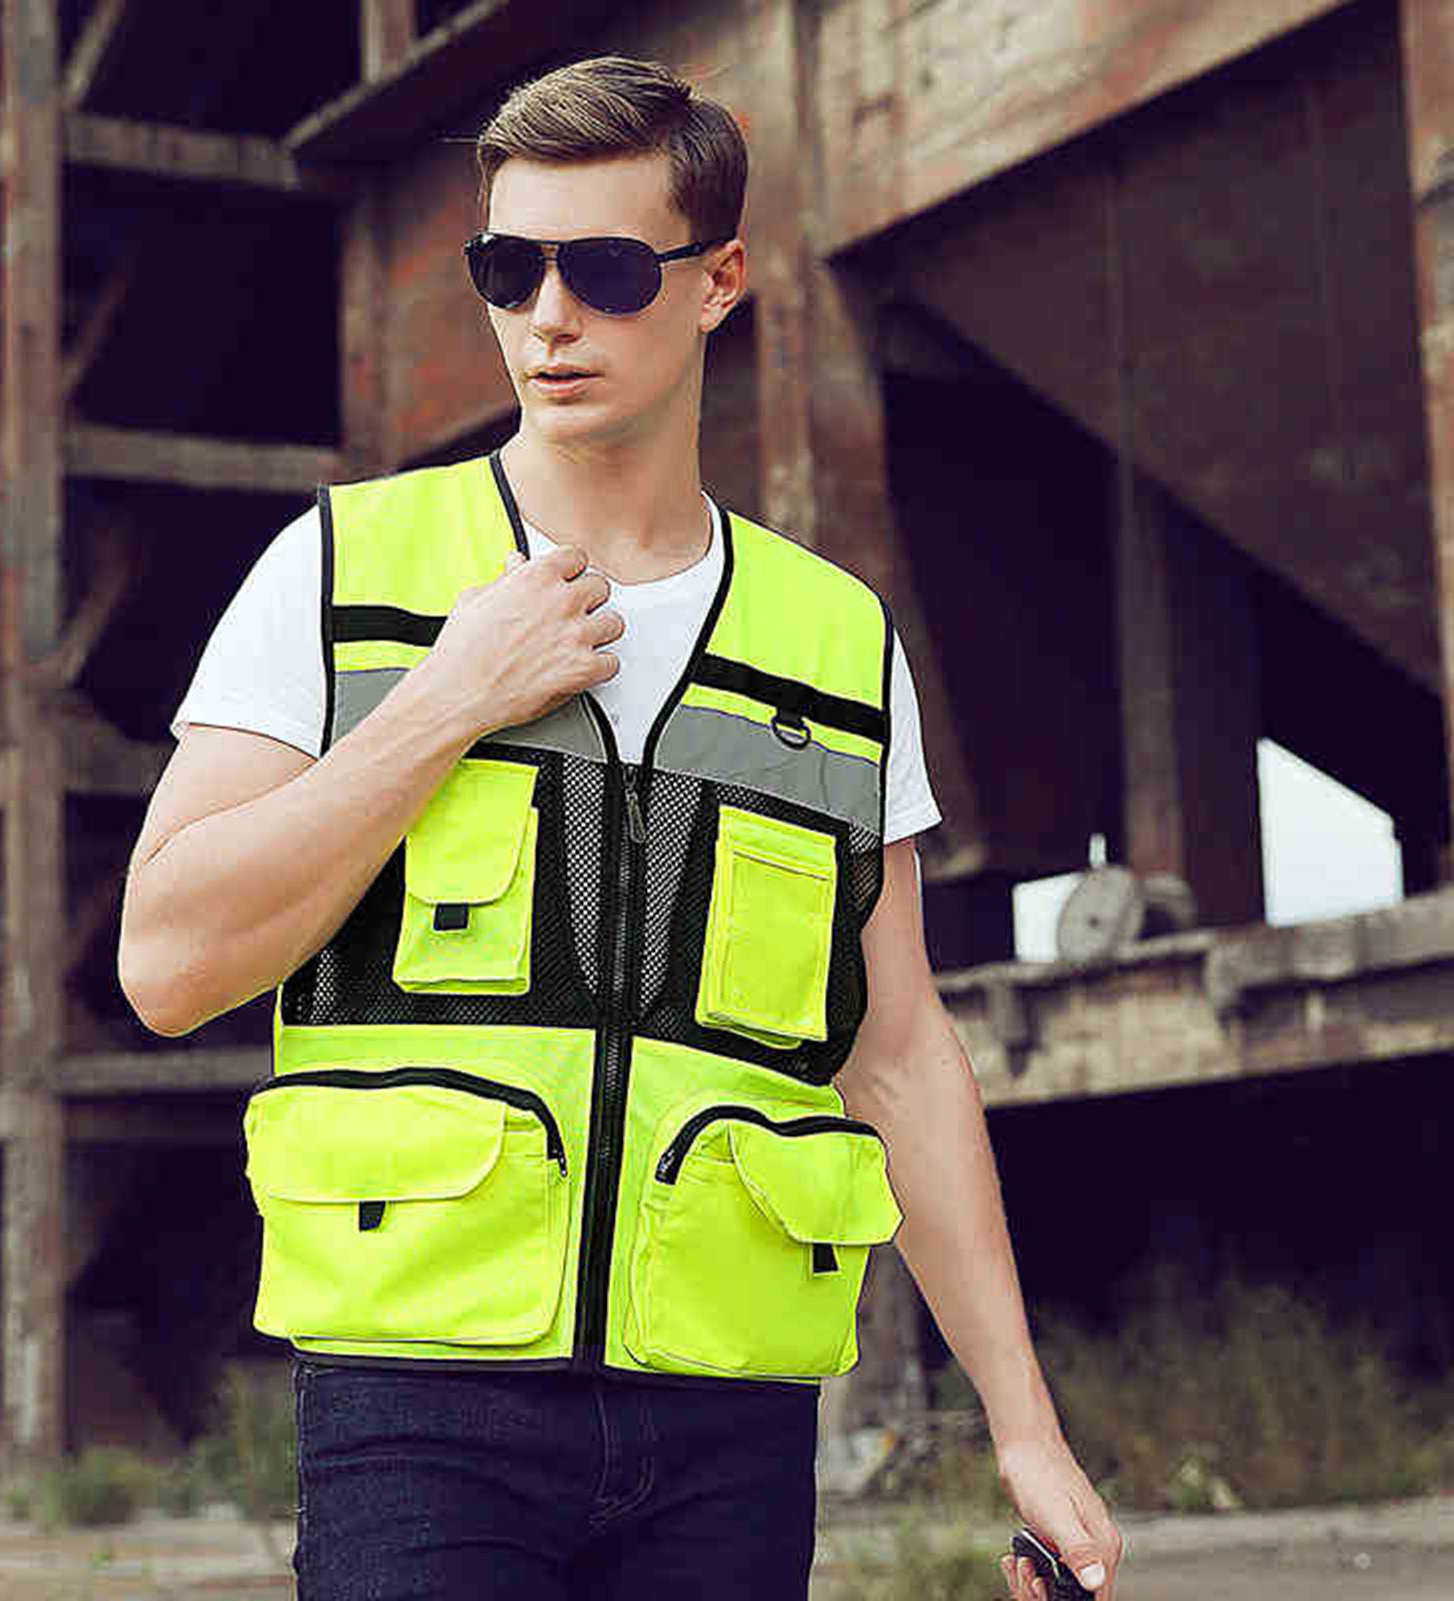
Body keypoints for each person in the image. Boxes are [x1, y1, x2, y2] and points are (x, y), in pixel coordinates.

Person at [118, 54, 1122, 1601]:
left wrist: (1025, 1428)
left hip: (728, 1417)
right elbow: (166, 962)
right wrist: (443, 702)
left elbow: (897, 1053)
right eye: (507, 271)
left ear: (717, 281)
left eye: (603, 271)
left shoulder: (834, 641)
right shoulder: (339, 572)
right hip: (419, 1404)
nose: (547, 318)